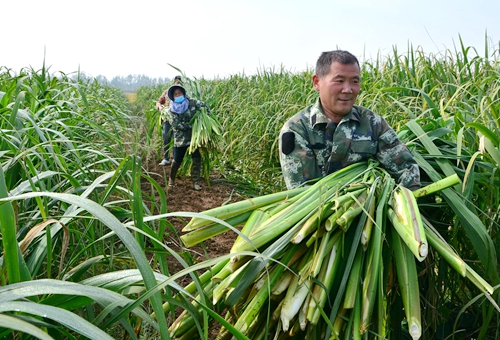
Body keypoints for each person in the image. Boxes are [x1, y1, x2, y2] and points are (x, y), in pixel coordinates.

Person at [279, 50, 421, 190]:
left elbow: (406, 169)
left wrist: (402, 204)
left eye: (354, 81)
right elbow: (302, 191)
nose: (348, 89)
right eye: (339, 81)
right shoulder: (297, 129)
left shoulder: (372, 123)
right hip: (321, 210)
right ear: (317, 82)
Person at [165, 83, 210, 191]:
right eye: (175, 94)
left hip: (194, 137)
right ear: (172, 96)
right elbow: (176, 124)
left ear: (183, 93)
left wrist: (204, 119)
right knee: (177, 160)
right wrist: (192, 125)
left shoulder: (193, 102)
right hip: (180, 139)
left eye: (179, 93)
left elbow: (205, 107)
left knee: (196, 159)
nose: (178, 95)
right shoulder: (171, 109)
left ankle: (196, 182)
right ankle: (171, 180)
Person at [157, 75, 183, 166]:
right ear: (174, 82)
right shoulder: (167, 92)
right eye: (176, 81)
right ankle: (166, 158)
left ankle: (176, 159)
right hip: (167, 119)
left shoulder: (183, 92)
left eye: (179, 81)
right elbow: (159, 102)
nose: (178, 82)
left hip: (179, 120)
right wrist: (160, 107)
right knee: (166, 137)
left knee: (177, 139)